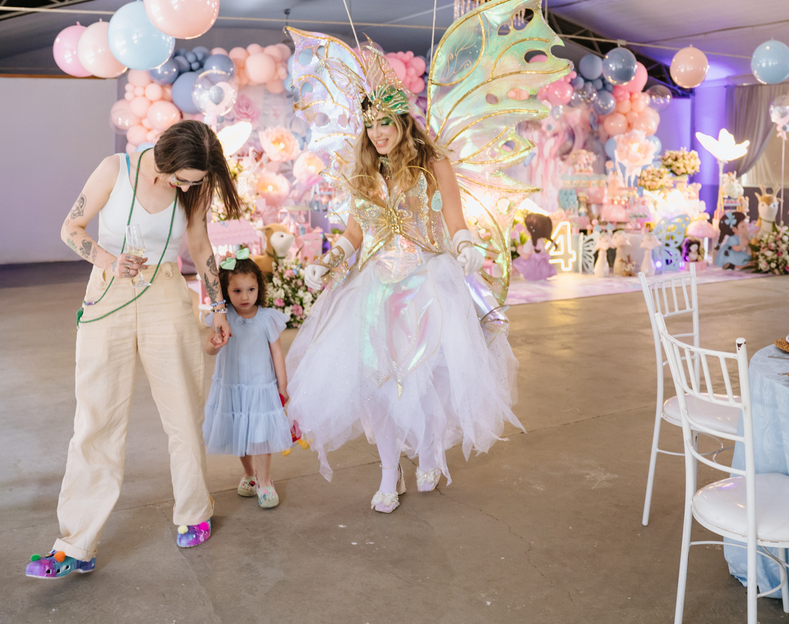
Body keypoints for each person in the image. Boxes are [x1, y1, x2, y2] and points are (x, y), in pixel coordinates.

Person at [286, 71, 522, 514]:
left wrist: (466, 246)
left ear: (402, 121)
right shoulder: (364, 172)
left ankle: (430, 454)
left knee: (426, 380)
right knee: (377, 384)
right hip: (373, 290)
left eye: (385, 123)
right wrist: (328, 261)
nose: (377, 133)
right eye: (370, 124)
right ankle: (388, 473)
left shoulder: (434, 164)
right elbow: (354, 233)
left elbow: (455, 219)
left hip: (428, 284)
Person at [25, 119, 241, 579]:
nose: (187, 187)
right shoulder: (114, 169)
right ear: (164, 158)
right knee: (96, 419)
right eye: (182, 178)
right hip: (109, 292)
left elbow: (200, 245)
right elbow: (71, 228)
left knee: (183, 410)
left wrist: (218, 305)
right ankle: (76, 543)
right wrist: (109, 261)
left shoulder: (193, 187)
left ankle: (194, 510)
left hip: (167, 293)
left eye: (194, 182)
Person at [201, 253, 291, 510]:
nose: (245, 296)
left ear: (259, 288)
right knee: (239, 429)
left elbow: (277, 352)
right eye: (237, 290)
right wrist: (214, 344)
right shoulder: (223, 317)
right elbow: (209, 349)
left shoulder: (266, 318)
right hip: (233, 386)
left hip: (261, 386)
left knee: (260, 435)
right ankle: (249, 473)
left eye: (251, 289)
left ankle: (265, 481)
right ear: (225, 291)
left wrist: (282, 386)